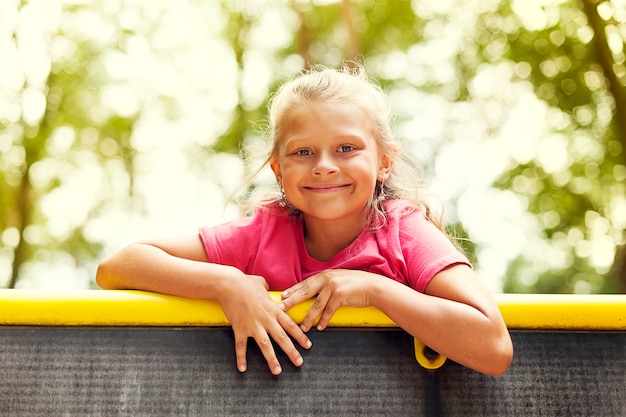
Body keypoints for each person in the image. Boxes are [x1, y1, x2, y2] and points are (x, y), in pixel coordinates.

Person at [96, 63, 513, 377]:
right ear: (278, 170)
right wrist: (226, 284)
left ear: (384, 163)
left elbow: (494, 348)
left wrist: (375, 290)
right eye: (303, 152)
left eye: (347, 148)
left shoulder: (404, 234)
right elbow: (117, 266)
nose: (324, 167)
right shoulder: (264, 233)